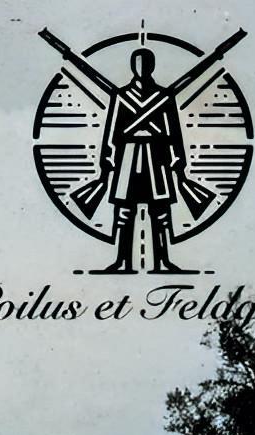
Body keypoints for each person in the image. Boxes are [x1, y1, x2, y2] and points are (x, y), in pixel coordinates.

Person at [98, 47, 190, 274]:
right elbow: (111, 132)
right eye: (137, 63)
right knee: (124, 213)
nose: (141, 68)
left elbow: (174, 132)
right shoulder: (121, 96)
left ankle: (163, 262)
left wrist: (179, 161)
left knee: (160, 213)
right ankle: (122, 262)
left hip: (156, 157)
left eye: (145, 63)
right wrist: (106, 162)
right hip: (128, 157)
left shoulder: (163, 96)